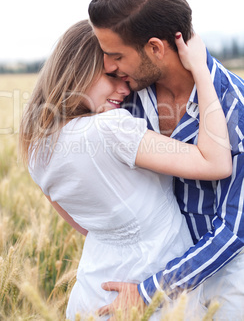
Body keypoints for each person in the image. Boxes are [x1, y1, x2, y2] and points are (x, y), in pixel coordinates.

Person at [19, 19, 231, 320]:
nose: (125, 87)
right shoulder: (111, 129)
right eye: (111, 76)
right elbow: (216, 162)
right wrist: (201, 70)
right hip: (153, 294)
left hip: (93, 294)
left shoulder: (35, 148)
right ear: (78, 73)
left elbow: (86, 226)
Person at [88, 0, 244, 320]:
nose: (107, 65)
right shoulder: (125, 98)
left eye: (116, 55)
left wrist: (151, 290)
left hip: (226, 273)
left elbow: (235, 228)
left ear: (155, 49)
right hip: (145, 262)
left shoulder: (236, 106)